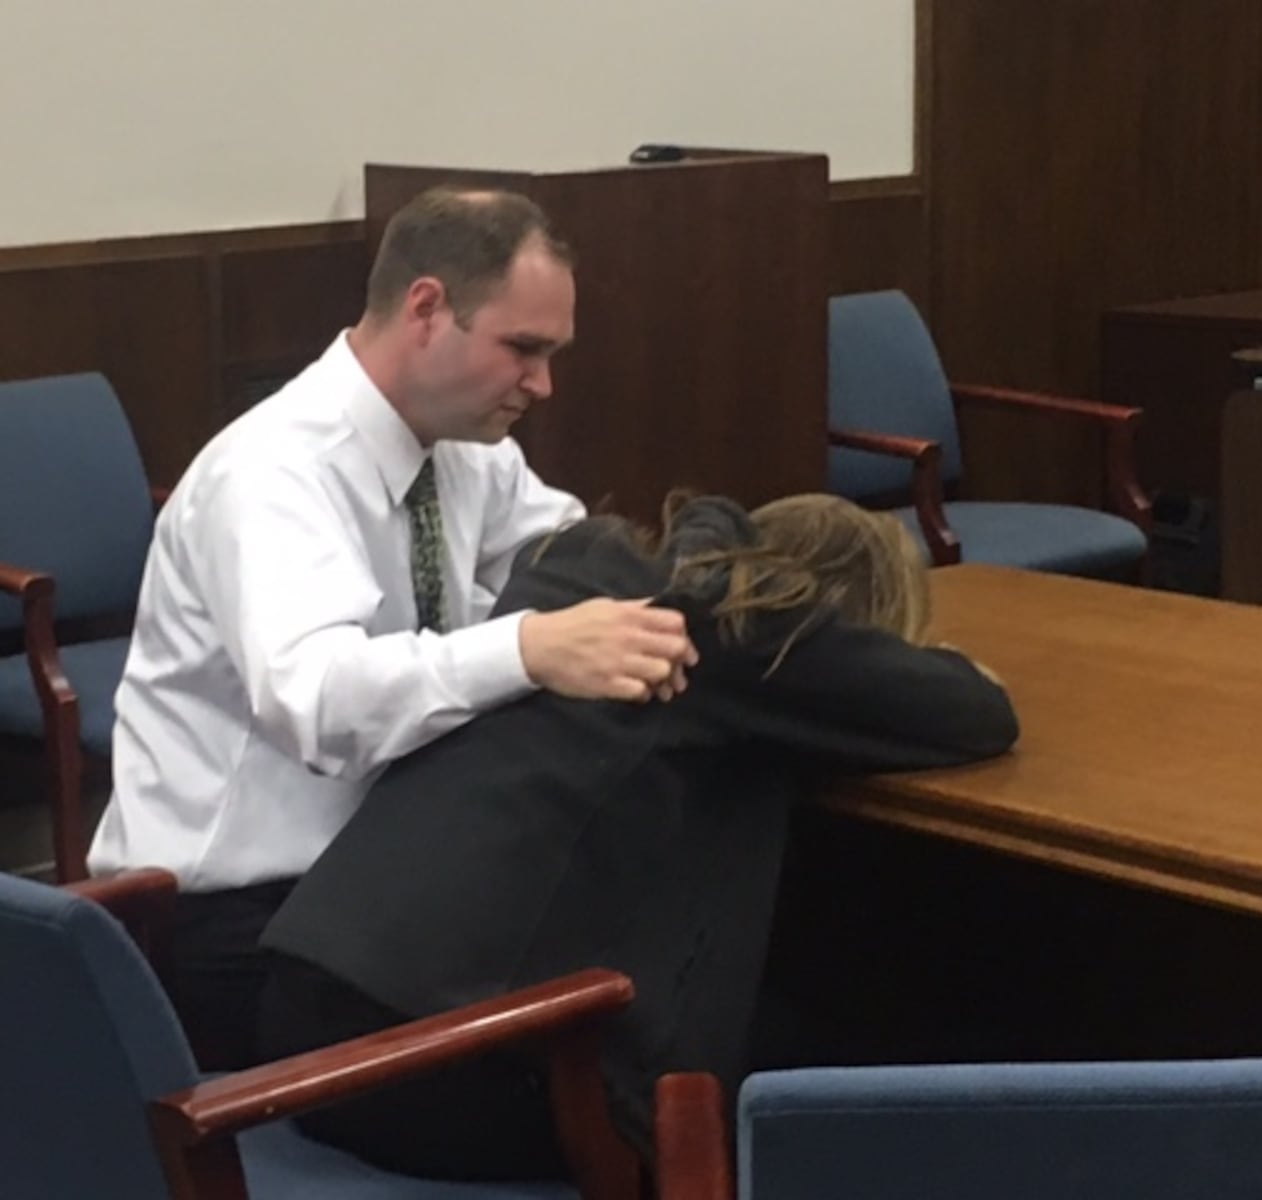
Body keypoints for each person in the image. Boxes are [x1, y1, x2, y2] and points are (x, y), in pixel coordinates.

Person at [86, 187, 696, 1067]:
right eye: (522, 349)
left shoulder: (461, 446)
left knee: (663, 964)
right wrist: (527, 648)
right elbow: (320, 704)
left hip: (375, 883)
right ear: (426, 308)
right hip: (237, 926)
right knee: (605, 1061)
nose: (543, 384)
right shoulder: (273, 472)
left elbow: (567, 552)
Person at [256, 491, 1021, 1181]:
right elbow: (978, 713)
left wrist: (715, 524)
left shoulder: (570, 572)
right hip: (446, 1076)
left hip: (302, 1029)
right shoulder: (746, 643)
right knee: (842, 1054)